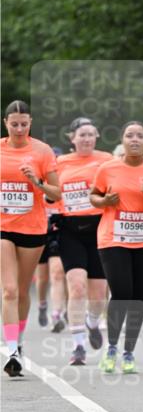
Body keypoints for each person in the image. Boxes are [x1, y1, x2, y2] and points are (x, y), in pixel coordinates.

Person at [89, 121, 143, 373]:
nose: (134, 139)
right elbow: (93, 196)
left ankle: (128, 352)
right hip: (113, 239)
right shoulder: (107, 169)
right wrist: (105, 200)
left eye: (140, 135)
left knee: (137, 298)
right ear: (122, 140)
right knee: (121, 292)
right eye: (129, 135)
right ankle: (111, 347)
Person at [1, 100, 61, 377]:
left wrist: (36, 182)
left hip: (32, 228)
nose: (19, 129)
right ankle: (12, 350)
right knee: (9, 290)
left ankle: (20, 340)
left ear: (30, 123)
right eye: (14, 124)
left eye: (24, 124)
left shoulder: (42, 151)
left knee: (23, 291)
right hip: (3, 226)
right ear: (5, 123)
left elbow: (56, 193)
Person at [56, 117, 112, 365]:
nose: (86, 139)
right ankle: (78, 345)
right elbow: (50, 192)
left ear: (96, 136)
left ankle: (92, 321)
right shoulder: (60, 163)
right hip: (70, 229)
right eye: (82, 135)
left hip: (99, 228)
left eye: (91, 134)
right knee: (77, 286)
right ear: (72, 138)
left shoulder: (107, 160)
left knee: (98, 294)